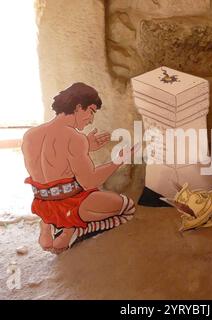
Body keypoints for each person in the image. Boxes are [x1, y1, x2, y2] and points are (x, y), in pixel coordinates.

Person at [22, 82, 137, 254]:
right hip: (71, 206)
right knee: (128, 207)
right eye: (90, 111)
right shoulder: (74, 138)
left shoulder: (30, 135)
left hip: (42, 204)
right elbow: (89, 181)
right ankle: (73, 230)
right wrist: (118, 161)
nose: (91, 119)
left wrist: (86, 146)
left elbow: (51, 163)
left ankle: (47, 225)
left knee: (56, 197)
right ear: (78, 107)